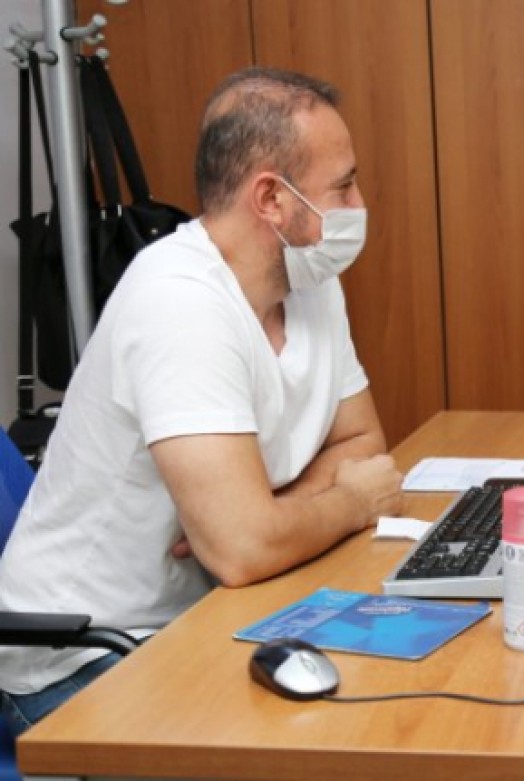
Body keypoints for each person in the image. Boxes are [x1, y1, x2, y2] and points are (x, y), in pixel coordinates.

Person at [0, 68, 404, 734]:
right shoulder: (179, 300)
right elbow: (245, 549)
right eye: (343, 186)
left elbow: (363, 446)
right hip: (84, 656)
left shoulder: (311, 279)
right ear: (271, 198)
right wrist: (350, 503)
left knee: (382, 701)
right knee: (322, 744)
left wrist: (269, 517)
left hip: (205, 618)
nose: (358, 205)